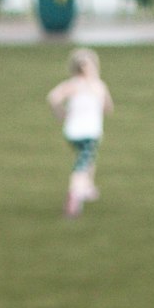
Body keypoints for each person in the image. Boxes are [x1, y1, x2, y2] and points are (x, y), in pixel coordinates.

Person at [46, 47, 115, 219]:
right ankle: (74, 196)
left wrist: (60, 113)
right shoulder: (98, 85)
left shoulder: (72, 85)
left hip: (72, 132)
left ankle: (88, 187)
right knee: (82, 164)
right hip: (90, 132)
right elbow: (109, 108)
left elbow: (53, 97)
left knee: (87, 157)